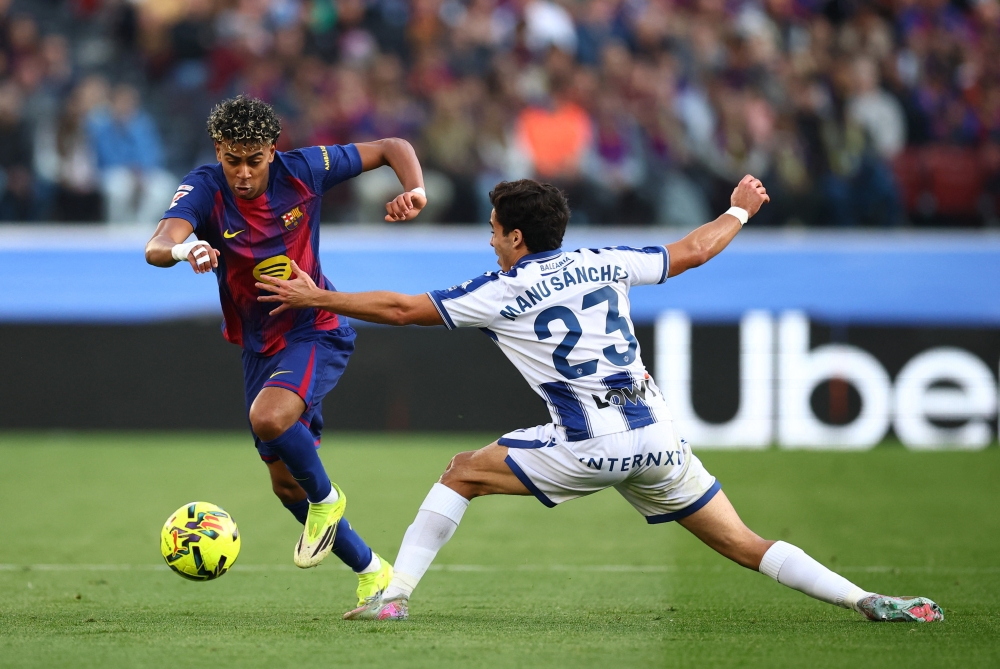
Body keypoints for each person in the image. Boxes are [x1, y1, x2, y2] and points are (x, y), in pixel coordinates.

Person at [255, 176, 943, 625]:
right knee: (744, 541)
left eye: (494, 228)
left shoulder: (497, 291)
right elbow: (694, 251)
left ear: (516, 237)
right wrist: (739, 207)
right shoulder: (607, 260)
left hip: (587, 442)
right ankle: (864, 598)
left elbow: (403, 309)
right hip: (660, 439)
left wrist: (318, 296)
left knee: (461, 471)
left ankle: (393, 595)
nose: (489, 238)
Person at [144, 95, 428, 607]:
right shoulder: (206, 187)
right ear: (219, 151)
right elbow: (157, 245)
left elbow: (391, 146)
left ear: (273, 151)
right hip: (259, 345)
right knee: (284, 486)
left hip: (315, 327)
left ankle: (329, 499)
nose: (245, 173)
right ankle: (375, 576)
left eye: (255, 160)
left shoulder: (304, 170)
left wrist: (415, 189)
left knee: (270, 419)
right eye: (234, 161)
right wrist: (188, 248)